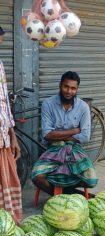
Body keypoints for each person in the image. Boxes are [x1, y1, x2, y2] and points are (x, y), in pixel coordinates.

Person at [31, 71, 97, 195]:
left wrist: (58, 134)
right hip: (54, 148)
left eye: (73, 88)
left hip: (75, 149)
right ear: (60, 85)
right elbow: (47, 135)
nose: (69, 91)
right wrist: (75, 130)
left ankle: (66, 190)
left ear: (77, 89)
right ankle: (59, 197)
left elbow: (85, 136)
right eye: (66, 86)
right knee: (37, 176)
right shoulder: (48, 104)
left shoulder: (83, 107)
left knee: (91, 180)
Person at [0, 26, 22, 224]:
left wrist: (13, 136)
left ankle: (7, 228)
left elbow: (4, 102)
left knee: (10, 181)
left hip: (3, 142)